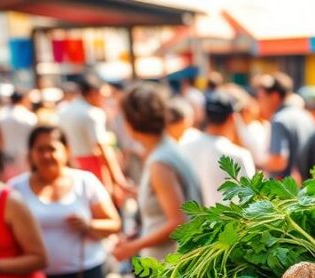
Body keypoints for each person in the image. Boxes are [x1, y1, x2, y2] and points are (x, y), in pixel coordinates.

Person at [10, 125, 120, 278]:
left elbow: (114, 223)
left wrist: (89, 225)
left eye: (52, 148)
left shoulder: (85, 182)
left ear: (66, 150)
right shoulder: (16, 189)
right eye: (40, 149)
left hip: (85, 274)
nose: (46, 155)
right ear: (30, 154)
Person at [112, 84, 202, 263]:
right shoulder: (168, 148)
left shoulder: (160, 162)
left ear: (129, 123)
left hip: (168, 266)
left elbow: (178, 222)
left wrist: (133, 247)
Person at [57, 73, 129, 195]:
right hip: (92, 166)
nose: (105, 100)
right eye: (103, 95)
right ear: (93, 93)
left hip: (70, 165)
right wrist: (119, 180)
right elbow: (103, 149)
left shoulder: (63, 111)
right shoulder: (93, 114)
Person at [180, 92, 255, 204]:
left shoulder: (184, 147)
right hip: (225, 220)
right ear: (232, 118)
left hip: (191, 219)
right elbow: (251, 200)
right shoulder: (238, 155)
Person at [256, 72, 315, 178]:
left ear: (274, 96)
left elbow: (278, 161)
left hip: (286, 190)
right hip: (307, 187)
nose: (259, 103)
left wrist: (257, 164)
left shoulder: (279, 120)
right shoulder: (306, 116)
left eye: (262, 98)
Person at [0, 89, 38, 180]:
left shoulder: (1, 115)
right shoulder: (29, 116)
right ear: (24, 99)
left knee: (9, 180)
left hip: (7, 153)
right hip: (26, 153)